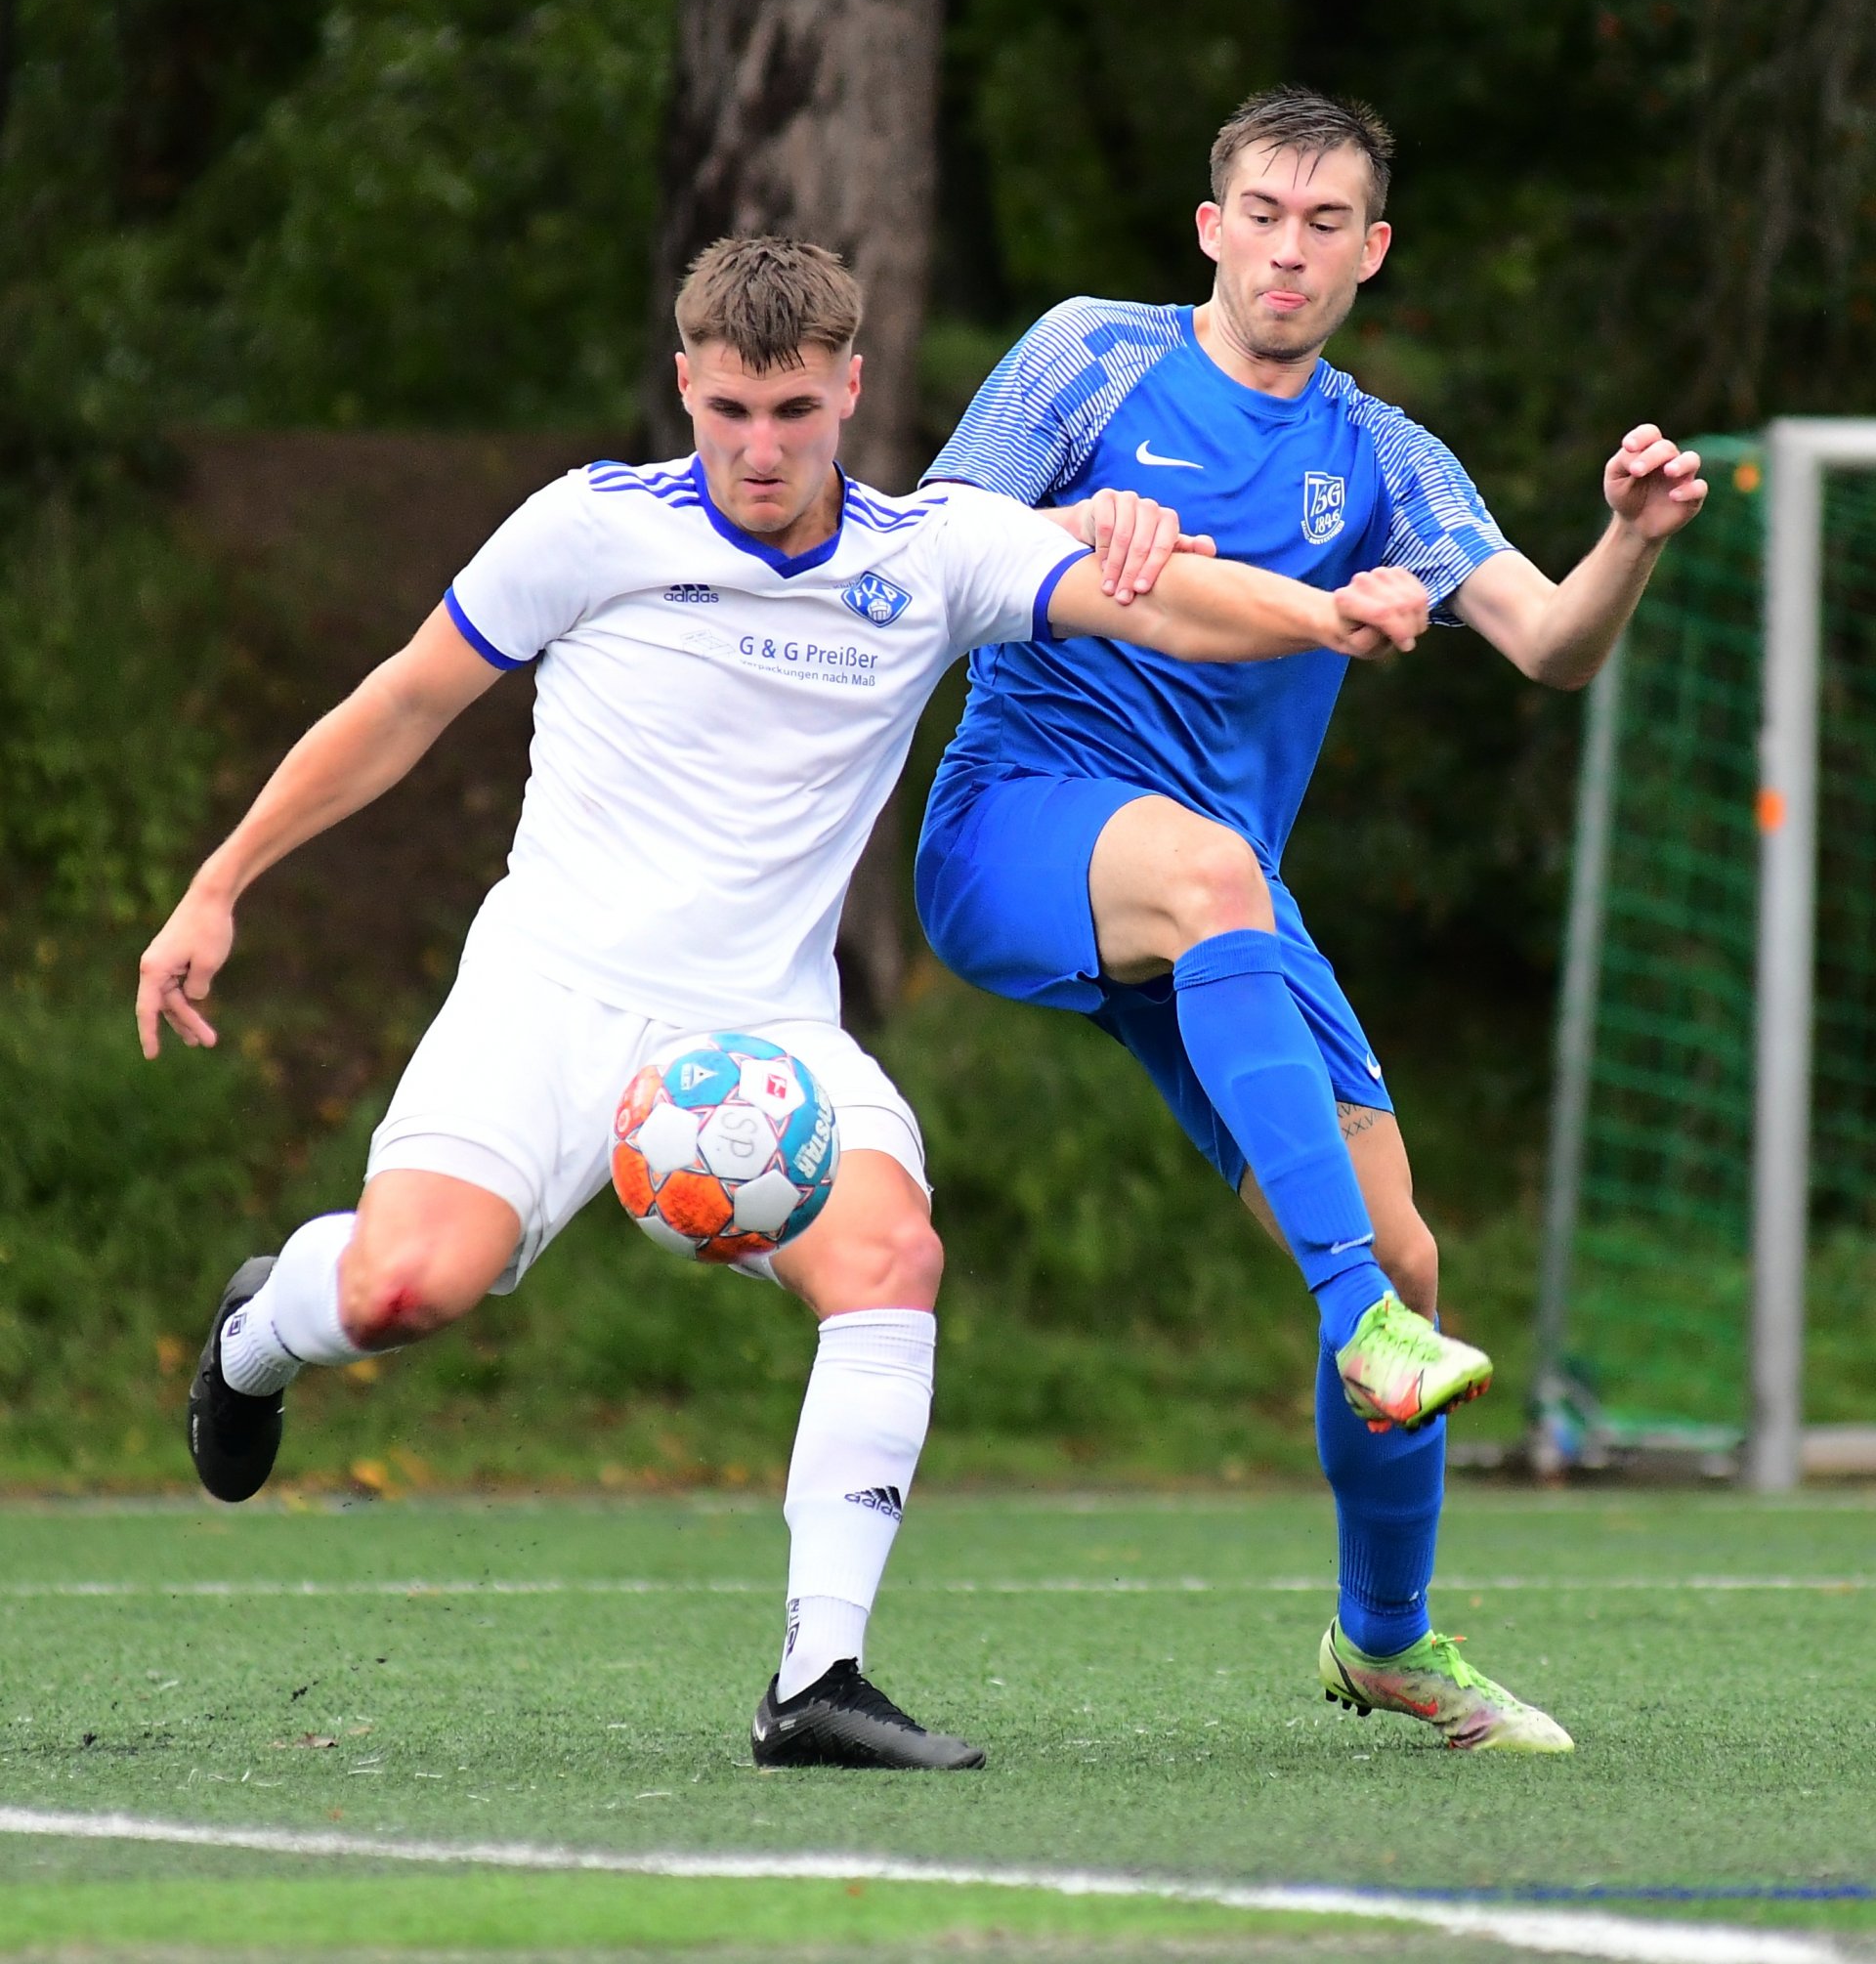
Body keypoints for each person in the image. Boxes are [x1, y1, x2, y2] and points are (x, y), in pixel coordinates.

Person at [138, 235, 1429, 1773]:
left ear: (854, 395)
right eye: (732, 409)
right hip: (546, 998)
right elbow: (401, 704)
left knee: (892, 1257)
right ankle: (254, 1335)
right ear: (686, 386)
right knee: (407, 1292)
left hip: (765, 1037)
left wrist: (1331, 614)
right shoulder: (584, 528)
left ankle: (819, 1676)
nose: (762, 448)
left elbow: (1157, 602)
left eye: (796, 412)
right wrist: (221, 883)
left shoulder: (933, 549)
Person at [915, 86, 1709, 1753]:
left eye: (1326, 223)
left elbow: (1553, 644)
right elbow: (930, 551)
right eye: (1263, 214)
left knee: (1410, 1242)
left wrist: (1627, 540)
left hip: (1222, 904)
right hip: (1020, 824)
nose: (1290, 248)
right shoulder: (1088, 357)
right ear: (1212, 227)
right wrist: (1080, 527)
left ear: (1372, 252)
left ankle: (1387, 1639)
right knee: (1223, 906)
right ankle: (1364, 1322)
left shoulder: (1386, 457)